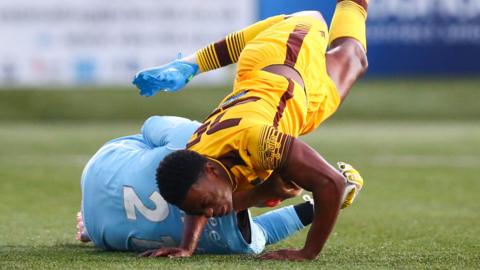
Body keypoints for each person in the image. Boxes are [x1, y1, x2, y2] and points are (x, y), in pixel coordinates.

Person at [133, 1, 368, 261]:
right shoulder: (196, 158)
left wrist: (307, 253)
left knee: (353, 55)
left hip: (288, 52)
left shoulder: (259, 141)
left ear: (211, 170)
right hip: (279, 92)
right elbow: (195, 202)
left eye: (203, 205)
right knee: (277, 184)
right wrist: (187, 247)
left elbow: (331, 181)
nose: (208, 214)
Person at [79, 115, 317, 254]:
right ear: (270, 200)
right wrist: (315, 210)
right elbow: (268, 229)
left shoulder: (190, 142)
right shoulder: (235, 244)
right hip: (101, 230)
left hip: (103, 166)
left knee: (154, 144)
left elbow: (151, 124)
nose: (210, 212)